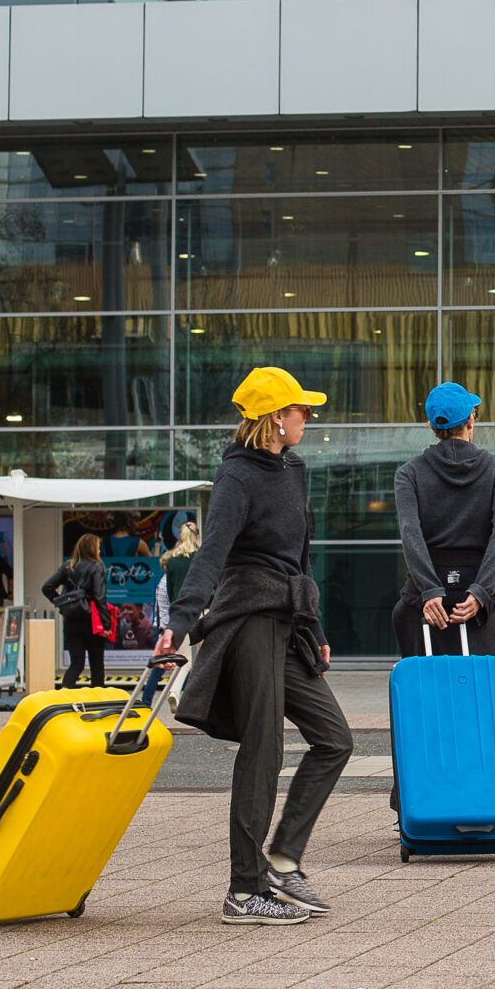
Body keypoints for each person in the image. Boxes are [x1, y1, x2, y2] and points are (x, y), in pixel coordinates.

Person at [160, 366, 352, 927]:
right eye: (300, 410)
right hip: (247, 622)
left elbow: (300, 558)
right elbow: (212, 554)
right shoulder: (236, 477)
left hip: (288, 622)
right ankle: (244, 890)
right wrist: (180, 621)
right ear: (274, 419)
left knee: (334, 739)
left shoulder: (293, 469)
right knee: (263, 751)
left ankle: (283, 860)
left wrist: (314, 629)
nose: (307, 418)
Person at [393, 381, 495, 659]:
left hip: (426, 604)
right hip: (482, 603)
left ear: (430, 424)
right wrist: (481, 591)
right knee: (485, 684)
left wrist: (430, 589)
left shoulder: (408, 474)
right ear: (471, 418)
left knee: (426, 685)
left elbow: (411, 533)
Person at [43, 535, 110, 688]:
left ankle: (64, 694)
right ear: (92, 549)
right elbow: (100, 598)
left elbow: (47, 587)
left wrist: (62, 604)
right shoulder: (96, 567)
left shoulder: (68, 566)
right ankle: (98, 698)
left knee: (76, 663)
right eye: (98, 547)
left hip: (71, 620)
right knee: (97, 664)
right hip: (91, 620)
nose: (99, 551)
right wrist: (106, 624)